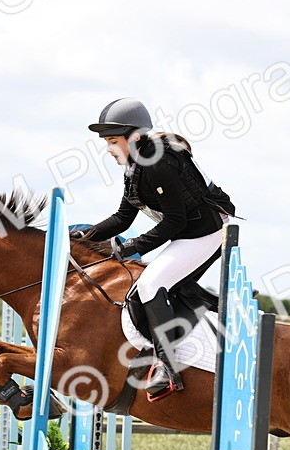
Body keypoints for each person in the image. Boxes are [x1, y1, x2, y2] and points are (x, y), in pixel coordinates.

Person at [78, 97, 236, 402]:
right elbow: (123, 217)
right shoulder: (134, 167)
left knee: (151, 284)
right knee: (154, 285)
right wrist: (84, 237)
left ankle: (167, 368)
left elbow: (175, 221)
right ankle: (214, 306)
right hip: (188, 233)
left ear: (135, 137)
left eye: (112, 141)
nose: (108, 149)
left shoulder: (159, 164)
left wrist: (133, 247)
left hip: (211, 232)